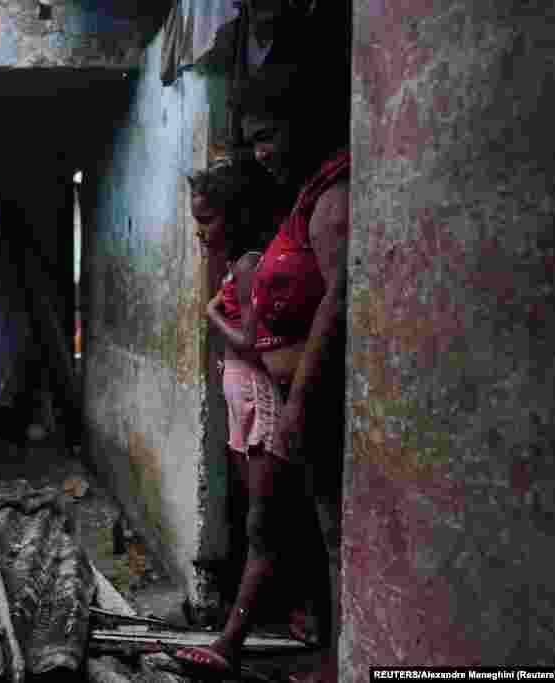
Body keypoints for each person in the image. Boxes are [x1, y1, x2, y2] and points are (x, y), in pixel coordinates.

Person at [176, 62, 351, 682]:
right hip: (276, 396)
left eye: (269, 134)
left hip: (287, 398)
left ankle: (272, 646)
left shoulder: (329, 197)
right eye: (254, 141)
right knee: (300, 525)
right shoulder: (303, 202)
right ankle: (324, 649)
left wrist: (296, 400)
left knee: (280, 526)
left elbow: (329, 299)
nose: (263, 151)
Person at [175, 157, 323, 676]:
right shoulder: (236, 262)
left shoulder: (247, 265)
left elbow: (253, 344)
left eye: (207, 220)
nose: (200, 231)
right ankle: (297, 613)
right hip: (244, 400)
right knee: (266, 514)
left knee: (265, 521)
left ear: (234, 215)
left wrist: (212, 315)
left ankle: (236, 640)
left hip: (258, 398)